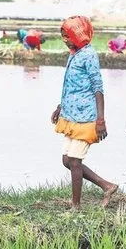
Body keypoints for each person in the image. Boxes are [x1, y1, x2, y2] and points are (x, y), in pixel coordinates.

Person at [50, 16, 118, 210]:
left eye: (67, 36)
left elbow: (98, 88)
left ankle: (76, 206)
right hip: (71, 115)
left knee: (74, 160)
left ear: (78, 35)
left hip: (86, 116)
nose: (65, 40)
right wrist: (60, 107)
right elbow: (70, 86)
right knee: (67, 160)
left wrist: (101, 120)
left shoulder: (89, 55)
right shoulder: (74, 53)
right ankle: (107, 186)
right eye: (63, 36)